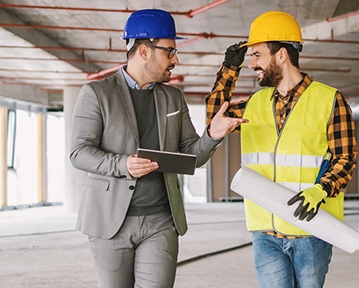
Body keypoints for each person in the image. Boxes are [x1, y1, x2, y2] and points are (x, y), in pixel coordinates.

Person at [69, 8, 246, 288]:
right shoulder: (97, 93)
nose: (175, 59)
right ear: (143, 51)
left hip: (161, 221)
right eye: (169, 51)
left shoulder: (173, 97)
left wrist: (213, 134)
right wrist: (122, 164)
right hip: (110, 221)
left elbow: (191, 156)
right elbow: (79, 152)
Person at [206, 10, 357, 288]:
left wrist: (321, 189)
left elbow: (345, 158)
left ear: (281, 55)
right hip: (265, 231)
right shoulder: (255, 103)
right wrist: (229, 70)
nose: (252, 64)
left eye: (257, 55)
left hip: (311, 229)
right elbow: (215, 119)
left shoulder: (330, 100)